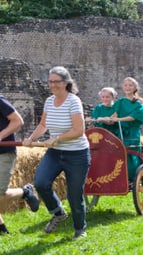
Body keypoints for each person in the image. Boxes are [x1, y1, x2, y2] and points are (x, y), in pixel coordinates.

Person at [23, 66, 91, 239]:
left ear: (66, 82)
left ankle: (79, 229)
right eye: (50, 81)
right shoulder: (49, 101)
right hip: (55, 152)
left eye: (56, 82)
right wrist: (31, 138)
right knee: (40, 182)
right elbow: (43, 125)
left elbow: (79, 130)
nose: (52, 85)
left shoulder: (73, 101)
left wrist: (57, 138)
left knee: (74, 195)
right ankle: (58, 212)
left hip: (77, 154)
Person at [0, 96, 39, 234]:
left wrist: (0, 135)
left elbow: (18, 121)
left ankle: (25, 192)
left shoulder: (0, 101)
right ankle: (1, 229)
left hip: (3, 153)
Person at [110, 77, 143, 182]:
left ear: (135, 87)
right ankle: (117, 177)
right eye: (125, 85)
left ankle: (132, 177)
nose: (127, 87)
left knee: (130, 154)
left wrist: (119, 119)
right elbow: (114, 115)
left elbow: (135, 117)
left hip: (132, 133)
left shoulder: (138, 104)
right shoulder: (120, 102)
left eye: (130, 85)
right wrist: (110, 119)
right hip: (119, 132)